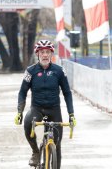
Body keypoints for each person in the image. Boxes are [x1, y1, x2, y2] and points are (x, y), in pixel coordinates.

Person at [14, 39, 76, 168]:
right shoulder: (30, 71)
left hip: (54, 109)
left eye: (48, 52)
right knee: (27, 123)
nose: (45, 55)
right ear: (38, 54)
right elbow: (22, 92)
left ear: (51, 54)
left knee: (57, 144)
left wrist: (71, 114)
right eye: (42, 52)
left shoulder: (59, 71)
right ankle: (36, 152)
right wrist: (20, 111)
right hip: (37, 109)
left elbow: (67, 93)